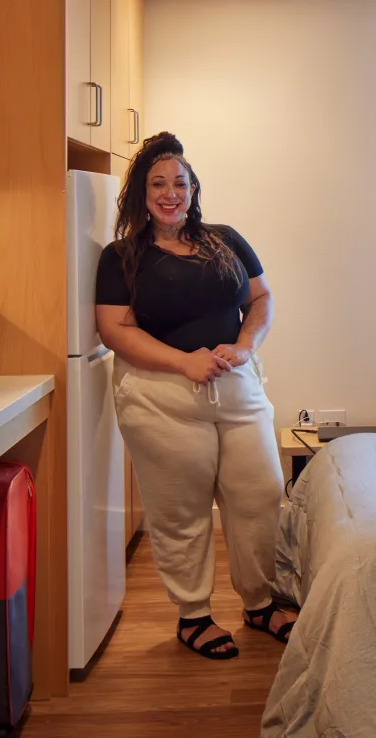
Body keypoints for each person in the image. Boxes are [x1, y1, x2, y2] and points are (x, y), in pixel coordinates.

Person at [95, 132, 294, 660]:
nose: (170, 193)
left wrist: (246, 343)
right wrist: (184, 361)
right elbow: (115, 329)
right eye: (157, 183)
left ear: (193, 188)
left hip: (236, 388)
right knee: (181, 511)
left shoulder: (225, 238)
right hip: (161, 397)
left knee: (260, 493)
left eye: (179, 182)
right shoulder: (121, 257)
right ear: (140, 193)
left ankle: (259, 603)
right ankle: (194, 616)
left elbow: (262, 296)